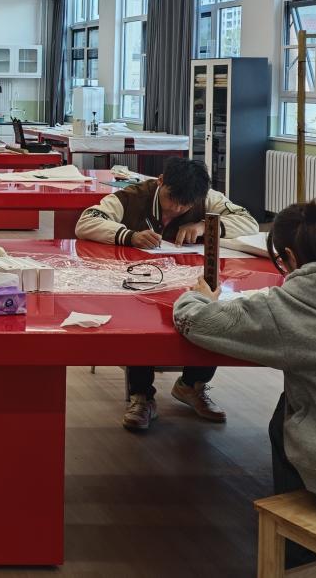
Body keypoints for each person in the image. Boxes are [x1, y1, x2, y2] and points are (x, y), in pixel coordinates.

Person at [174, 199, 316, 561]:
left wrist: (196, 297)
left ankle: (299, 555)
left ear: (290, 258)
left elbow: (196, 322)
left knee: (286, 414)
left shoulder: (288, 306)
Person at [74, 156, 259, 431]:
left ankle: (192, 385)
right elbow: (86, 222)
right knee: (140, 323)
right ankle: (141, 395)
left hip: (189, 279)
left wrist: (205, 226)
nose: (177, 208)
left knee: (210, 314)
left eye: (186, 205)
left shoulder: (206, 198)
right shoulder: (131, 197)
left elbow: (249, 223)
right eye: (172, 199)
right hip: (139, 281)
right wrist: (129, 235)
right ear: (160, 181)